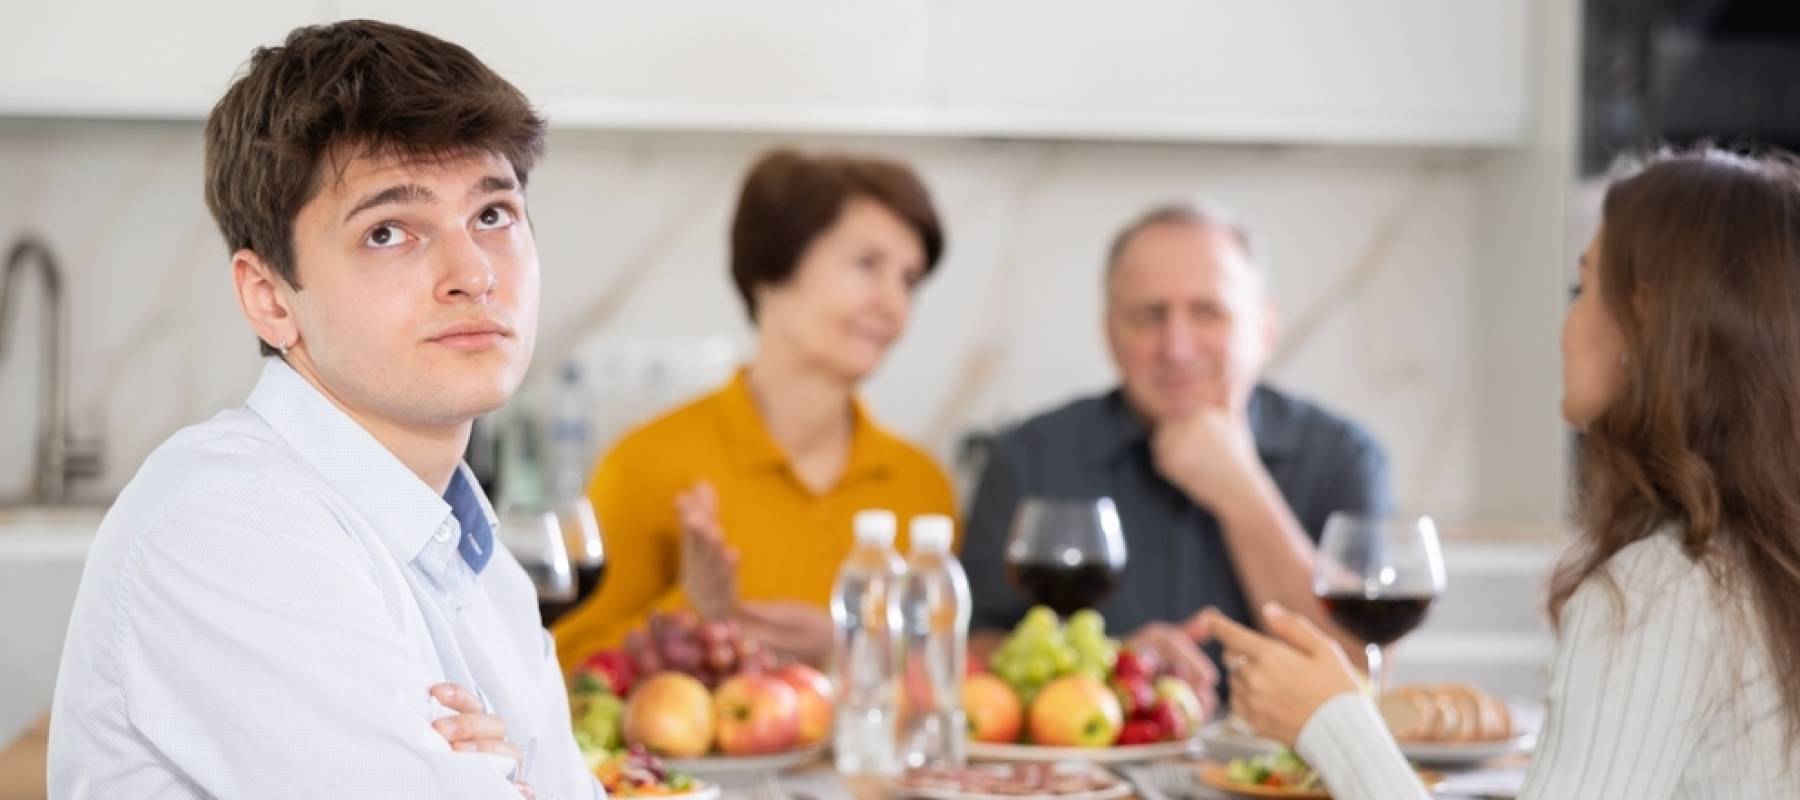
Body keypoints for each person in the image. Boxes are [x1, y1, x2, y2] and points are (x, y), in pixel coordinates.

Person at [48, 20, 598, 799]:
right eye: (388, 232)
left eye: (492, 215)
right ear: (270, 298)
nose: (473, 273)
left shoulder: (483, 566)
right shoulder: (225, 525)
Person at [1209, 148, 1800, 798]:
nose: (1565, 323)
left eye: (1583, 289)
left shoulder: (1659, 592)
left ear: (1644, 324)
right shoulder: (1760, 564)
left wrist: (1331, 720)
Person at [961, 201, 1392, 709]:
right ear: (1110, 335)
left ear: (1266, 328)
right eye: (1148, 316)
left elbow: (1361, 671)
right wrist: (1114, 666)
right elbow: (971, 653)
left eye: (1208, 312)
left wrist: (1242, 491)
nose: (1178, 346)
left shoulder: (1344, 455)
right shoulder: (1025, 456)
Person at [553, 149, 957, 670]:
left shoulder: (923, 486)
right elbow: (562, 680)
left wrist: (856, 646)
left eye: (908, 280)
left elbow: (952, 686)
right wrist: (693, 612)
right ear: (771, 269)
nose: (894, 306)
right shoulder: (643, 466)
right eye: (866, 265)